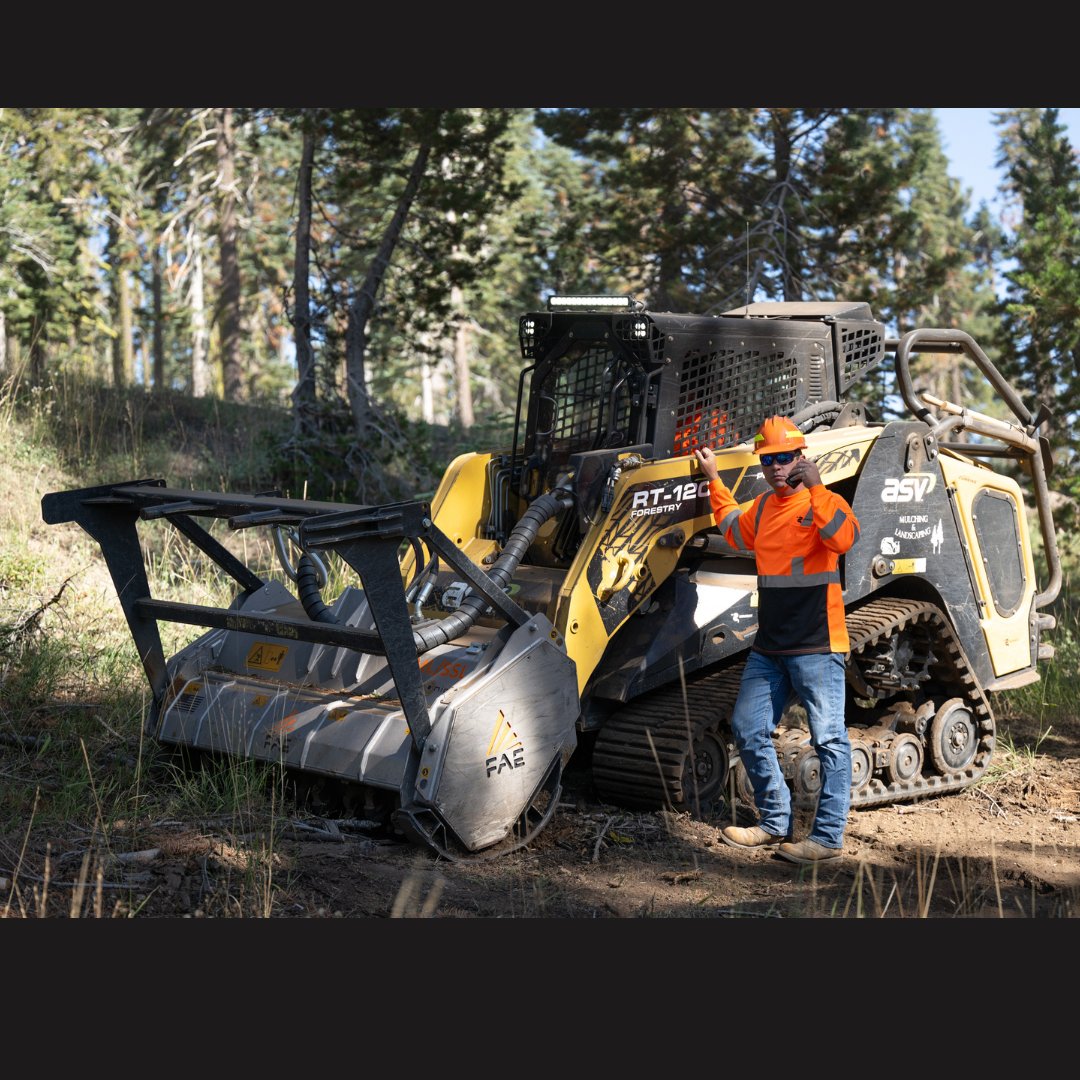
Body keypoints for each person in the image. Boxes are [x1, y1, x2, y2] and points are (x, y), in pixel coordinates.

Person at [694, 416, 860, 865]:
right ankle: (773, 822)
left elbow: (845, 537)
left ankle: (826, 838)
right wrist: (714, 479)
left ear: (801, 459)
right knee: (748, 728)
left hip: (818, 645)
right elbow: (732, 526)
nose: (776, 467)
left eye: (785, 458)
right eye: (768, 460)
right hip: (770, 647)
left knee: (828, 740)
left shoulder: (822, 502)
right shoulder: (765, 508)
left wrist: (820, 488)